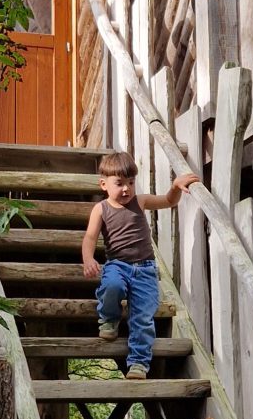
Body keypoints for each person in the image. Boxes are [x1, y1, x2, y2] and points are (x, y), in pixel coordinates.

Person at [79, 152, 201, 380]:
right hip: (117, 265)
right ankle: (109, 318)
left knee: (143, 318)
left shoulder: (141, 201)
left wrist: (176, 186)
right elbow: (89, 238)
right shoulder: (101, 209)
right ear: (103, 184)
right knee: (112, 286)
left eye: (130, 183)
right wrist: (88, 259)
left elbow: (169, 201)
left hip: (145, 270)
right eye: (119, 184)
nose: (126, 189)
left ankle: (138, 364)